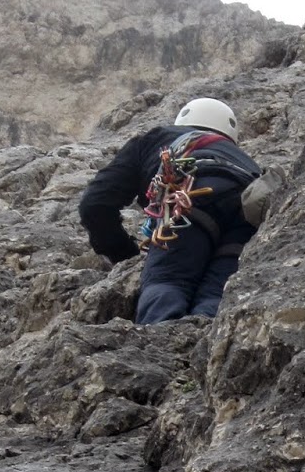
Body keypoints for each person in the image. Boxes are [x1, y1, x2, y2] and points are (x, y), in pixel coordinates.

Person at [79, 97, 262, 325]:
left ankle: (163, 344)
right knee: (219, 293)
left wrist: (124, 255)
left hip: (188, 200)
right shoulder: (247, 161)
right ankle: (207, 344)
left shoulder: (155, 140)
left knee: (168, 282)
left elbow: (95, 205)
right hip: (247, 213)